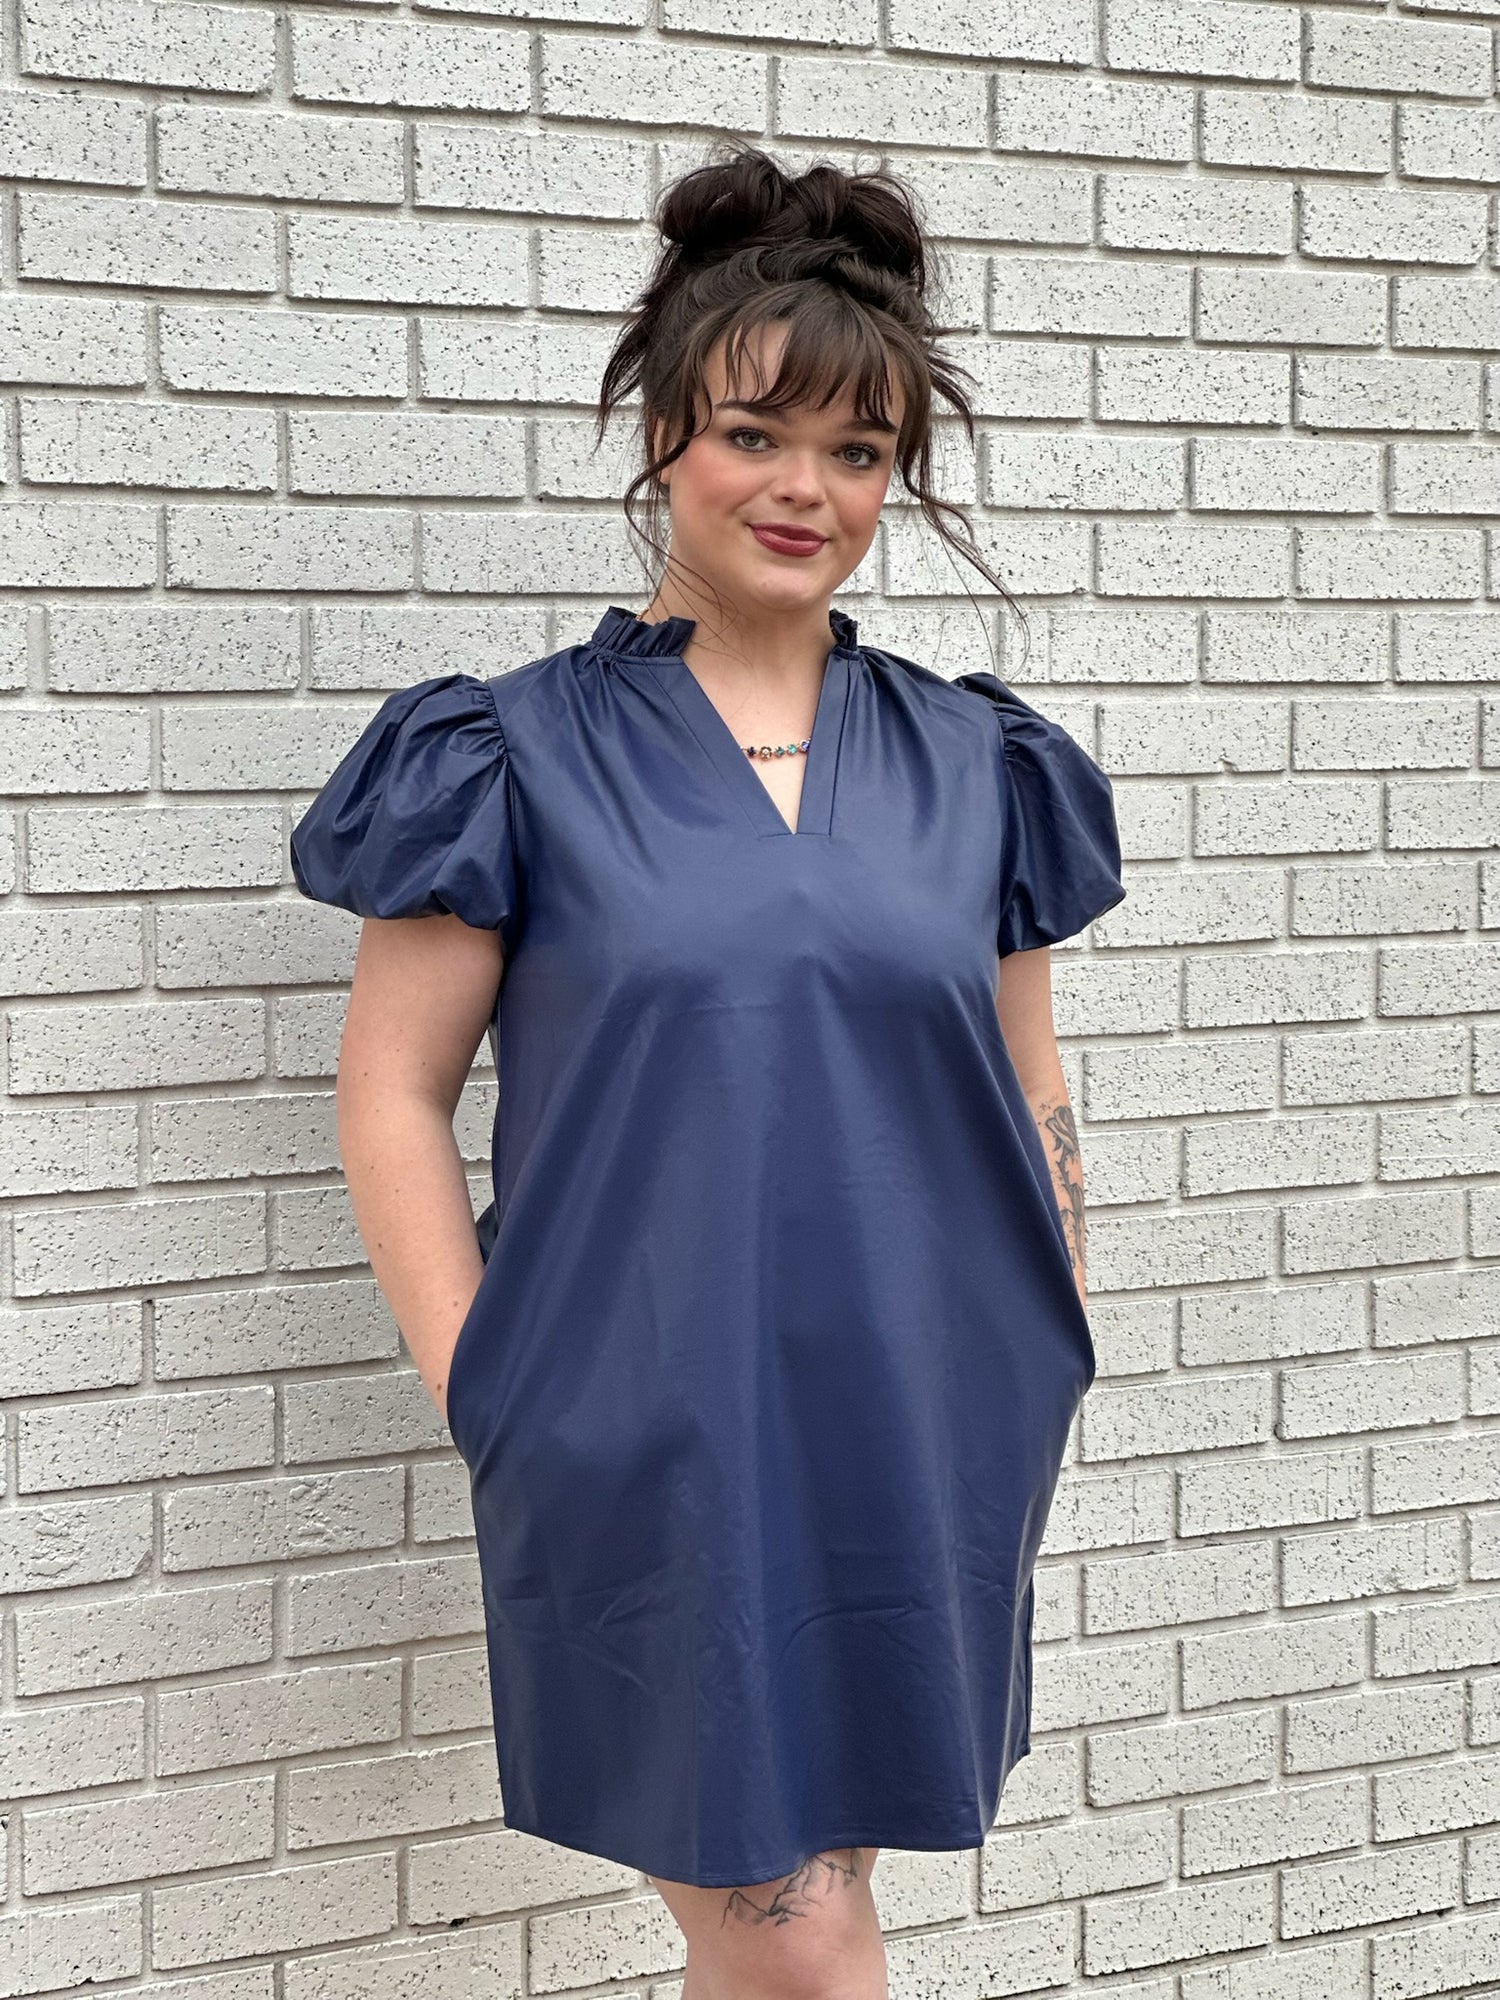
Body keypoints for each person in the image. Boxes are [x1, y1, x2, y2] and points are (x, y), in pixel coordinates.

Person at [289, 143, 1126, 2000]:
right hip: (643, 1427)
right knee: (806, 1947)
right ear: (667, 429)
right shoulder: (503, 757)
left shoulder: (984, 766)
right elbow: (391, 1095)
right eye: (759, 434)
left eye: (858, 452)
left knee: (822, 1911)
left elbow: (1027, 1072)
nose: (805, 490)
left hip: (924, 1414)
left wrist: (1052, 1322)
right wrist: (491, 1381)